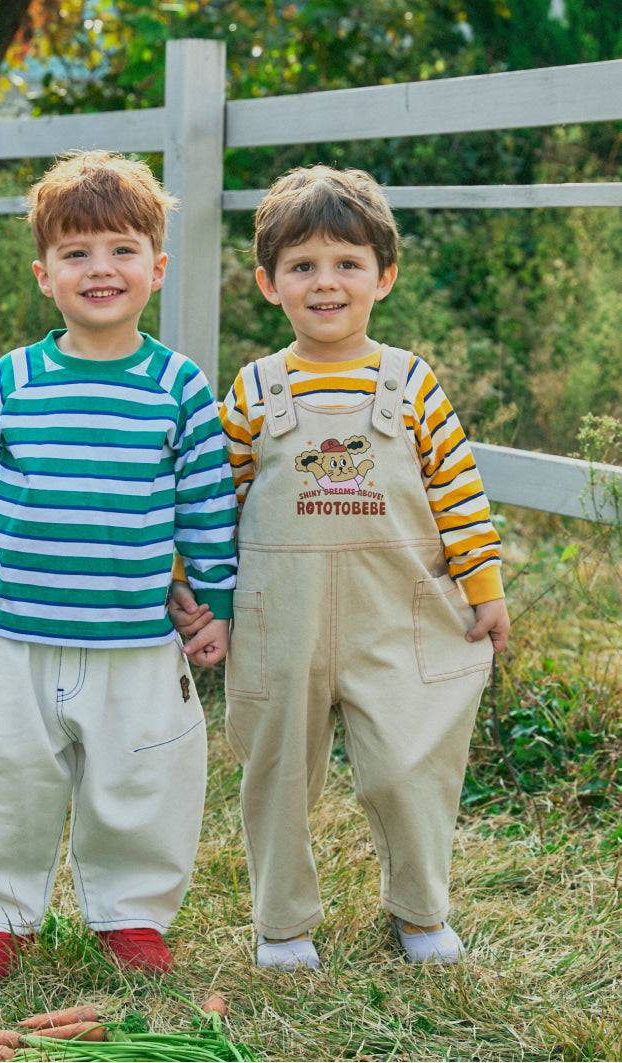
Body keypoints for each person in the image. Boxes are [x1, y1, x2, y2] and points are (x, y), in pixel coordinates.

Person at [170, 165, 510, 969]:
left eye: (347, 263)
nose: (326, 282)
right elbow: (219, 502)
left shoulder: (412, 382)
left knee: (409, 765)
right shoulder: (255, 390)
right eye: (303, 266)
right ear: (268, 281)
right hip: (277, 620)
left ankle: (420, 908)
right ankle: (282, 924)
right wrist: (203, 593)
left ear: (383, 276)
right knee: (278, 770)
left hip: (397, 614)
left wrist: (484, 587)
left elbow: (459, 491)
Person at [0, 150, 237, 984]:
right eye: (76, 253)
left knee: (144, 777)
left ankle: (131, 913)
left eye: (121, 249)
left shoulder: (178, 388)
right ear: (44, 274)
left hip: (134, 638)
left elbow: (207, 511)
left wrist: (217, 606)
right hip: (13, 632)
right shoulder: (12, 381)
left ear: (157, 267)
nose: (100, 268)